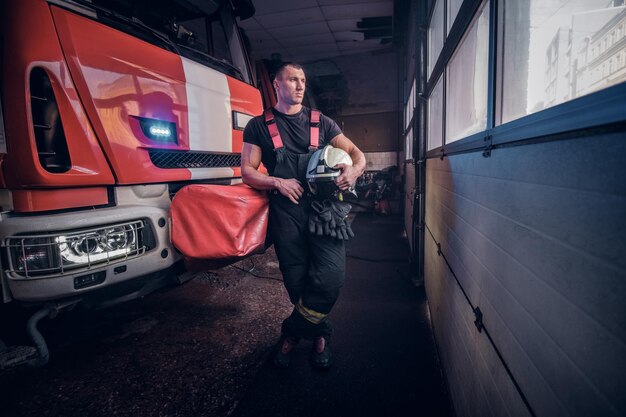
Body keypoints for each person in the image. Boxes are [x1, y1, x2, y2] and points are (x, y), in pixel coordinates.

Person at [241, 63, 366, 369]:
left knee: (330, 278)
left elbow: (359, 156)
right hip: (286, 214)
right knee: (296, 282)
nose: (299, 86)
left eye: (302, 81)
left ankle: (291, 333)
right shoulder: (258, 125)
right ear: (276, 84)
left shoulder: (321, 122)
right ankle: (320, 334)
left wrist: (354, 170)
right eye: (292, 80)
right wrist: (277, 182)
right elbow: (246, 171)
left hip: (325, 214)